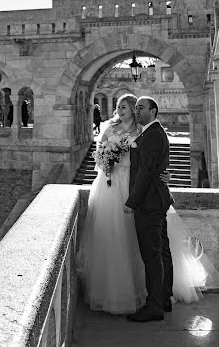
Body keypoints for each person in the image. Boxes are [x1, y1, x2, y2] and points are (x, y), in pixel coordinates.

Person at [76, 93, 209, 316]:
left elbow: (149, 165)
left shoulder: (145, 131)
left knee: (151, 250)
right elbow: (101, 158)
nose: (124, 110)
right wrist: (107, 161)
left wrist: (161, 176)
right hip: (115, 187)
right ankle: (156, 297)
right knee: (142, 245)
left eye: (130, 107)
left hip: (136, 192)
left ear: (148, 111)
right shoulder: (115, 129)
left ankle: (155, 299)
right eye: (121, 106)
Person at [124, 96, 173, 322]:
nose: (137, 111)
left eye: (141, 108)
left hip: (149, 202)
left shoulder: (152, 135)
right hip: (156, 199)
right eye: (136, 107)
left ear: (153, 111)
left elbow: (145, 172)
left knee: (152, 254)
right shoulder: (151, 133)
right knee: (161, 250)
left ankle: (154, 306)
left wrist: (131, 201)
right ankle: (163, 298)